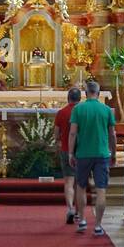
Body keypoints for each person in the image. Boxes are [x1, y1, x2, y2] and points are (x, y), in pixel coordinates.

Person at [68, 79, 116, 236]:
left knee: (81, 187)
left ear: (86, 93)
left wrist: (70, 152)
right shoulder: (106, 110)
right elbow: (112, 134)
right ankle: (97, 225)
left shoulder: (78, 109)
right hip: (102, 154)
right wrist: (113, 153)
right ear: (99, 93)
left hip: (83, 154)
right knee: (101, 189)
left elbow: (73, 132)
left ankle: (82, 220)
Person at [54, 87, 81, 224]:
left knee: (69, 181)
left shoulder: (61, 112)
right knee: (79, 183)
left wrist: (58, 141)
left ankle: (70, 208)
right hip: (82, 151)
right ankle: (78, 211)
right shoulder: (83, 112)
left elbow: (56, 134)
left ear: (68, 98)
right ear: (80, 98)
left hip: (66, 149)